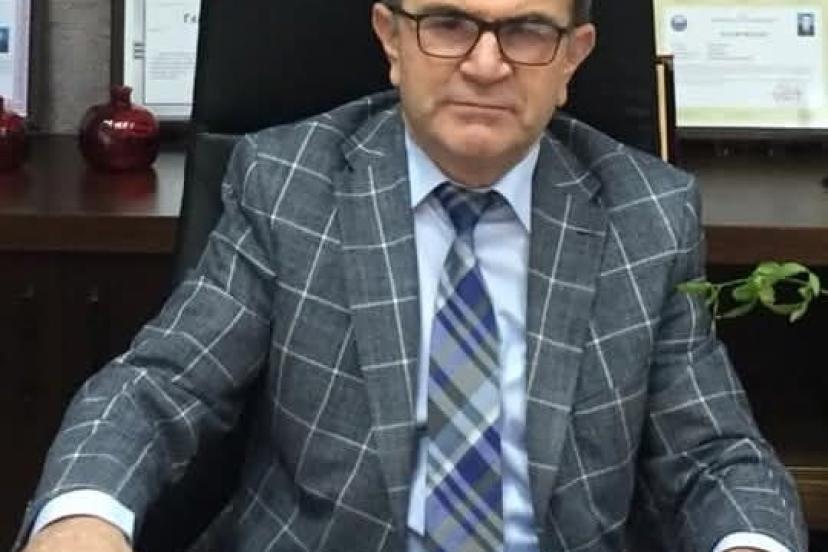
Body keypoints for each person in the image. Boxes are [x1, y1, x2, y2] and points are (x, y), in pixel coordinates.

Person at [19, 0, 806, 551]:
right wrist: (83, 517)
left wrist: (751, 542)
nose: (486, 64)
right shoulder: (289, 183)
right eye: (449, 24)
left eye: (528, 31)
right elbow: (161, 386)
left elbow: (714, 456)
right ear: (391, 39)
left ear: (573, 57)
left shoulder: (647, 214)